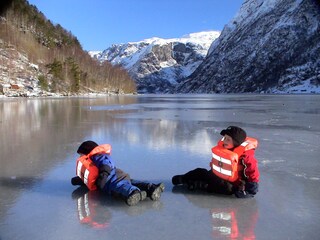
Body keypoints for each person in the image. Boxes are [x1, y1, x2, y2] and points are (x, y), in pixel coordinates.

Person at [172, 126, 259, 198]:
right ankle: (184, 178)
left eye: (228, 139)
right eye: (224, 138)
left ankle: (198, 185)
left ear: (236, 143)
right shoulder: (223, 148)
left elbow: (252, 169)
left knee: (226, 188)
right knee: (200, 172)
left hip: (233, 182)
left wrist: (252, 187)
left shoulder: (245, 156)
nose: (224, 141)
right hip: (215, 174)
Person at [71, 140, 165, 206]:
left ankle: (133, 192)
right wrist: (78, 180)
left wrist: (103, 176)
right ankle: (151, 188)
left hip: (112, 179)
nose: (80, 157)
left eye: (81, 155)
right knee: (131, 182)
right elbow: (89, 177)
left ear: (88, 152)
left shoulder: (97, 157)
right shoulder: (92, 162)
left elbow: (106, 164)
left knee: (119, 187)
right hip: (118, 175)